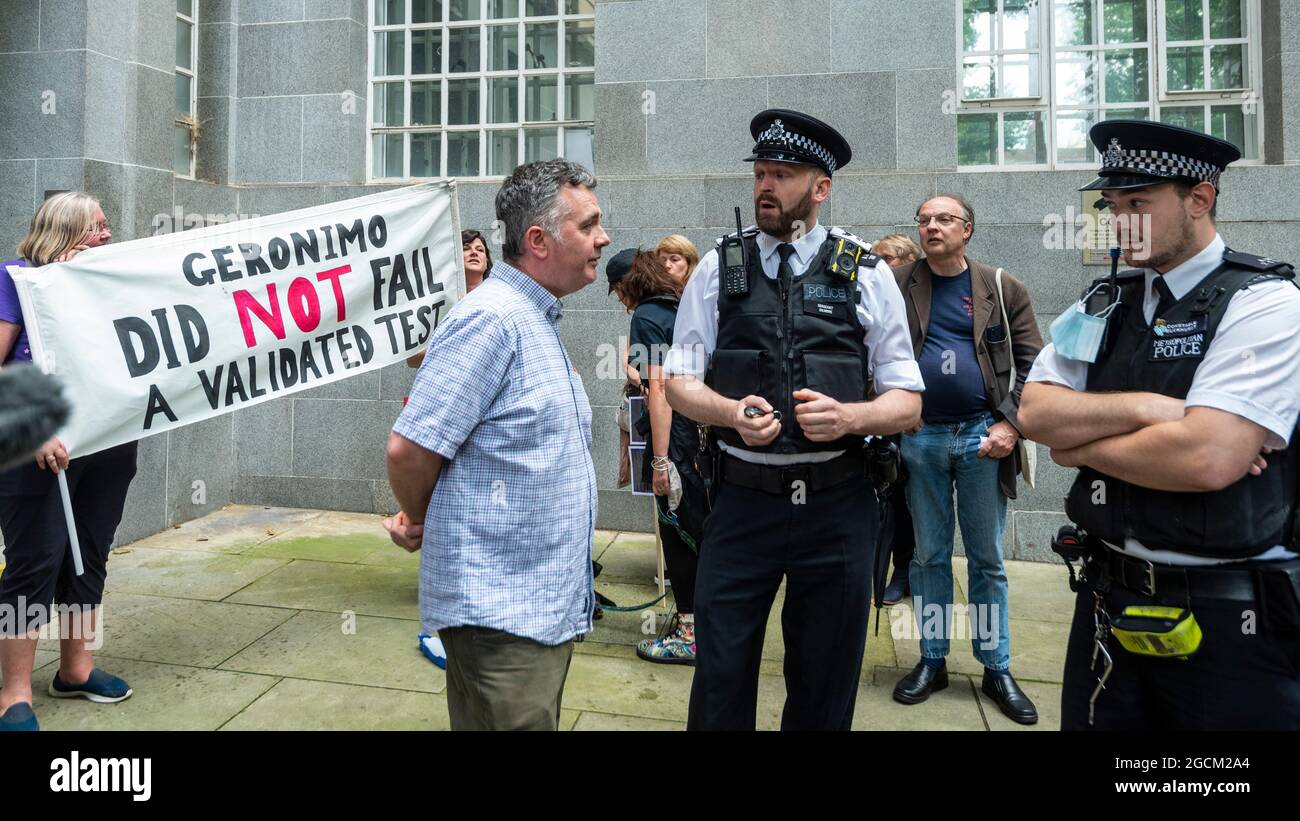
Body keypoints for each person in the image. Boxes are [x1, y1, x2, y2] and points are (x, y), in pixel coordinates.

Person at [1017, 120, 1300, 730]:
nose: (1119, 222)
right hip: (1107, 599)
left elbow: (1207, 458)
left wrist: (1079, 447)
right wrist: (1150, 410)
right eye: (1112, 206)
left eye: (1139, 203)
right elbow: (1035, 412)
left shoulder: (1265, 301)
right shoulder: (1102, 301)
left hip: (1231, 622)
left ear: (1200, 198)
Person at [665, 109, 924, 731]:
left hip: (838, 508)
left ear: (821, 188)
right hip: (742, 504)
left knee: (825, 681)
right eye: (760, 172)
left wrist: (852, 417)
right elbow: (676, 381)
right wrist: (728, 411)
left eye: (782, 174)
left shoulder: (863, 270)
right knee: (721, 677)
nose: (765, 185)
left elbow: (908, 401)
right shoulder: (717, 269)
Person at [383, 159, 609, 731]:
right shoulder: (491, 321)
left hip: (536, 608)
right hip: (503, 614)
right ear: (538, 240)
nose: (603, 238)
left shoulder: (532, 319)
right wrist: (416, 516)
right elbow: (409, 449)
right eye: (588, 225)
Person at [889, 195, 1044, 724]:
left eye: (944, 219)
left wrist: (1011, 424)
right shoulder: (897, 282)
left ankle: (995, 666)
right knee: (928, 556)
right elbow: (872, 349)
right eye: (925, 220)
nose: (932, 227)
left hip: (984, 438)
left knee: (987, 560)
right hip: (922, 437)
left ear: (967, 229)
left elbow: (1034, 365)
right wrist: (891, 410)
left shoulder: (1002, 287)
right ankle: (932, 660)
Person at [0, 192, 135, 732]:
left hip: (104, 443)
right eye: (95, 227)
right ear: (61, 234)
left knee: (90, 554)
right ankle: (13, 694)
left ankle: (76, 669)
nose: (106, 235)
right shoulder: (15, 279)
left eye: (106, 226)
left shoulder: (111, 280)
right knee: (35, 561)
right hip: (34, 451)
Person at [608, 248, 705, 665]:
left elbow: (660, 389)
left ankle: (690, 635)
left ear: (627, 284)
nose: (620, 301)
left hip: (677, 441)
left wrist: (662, 462)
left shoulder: (646, 317)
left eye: (616, 292)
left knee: (678, 535)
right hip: (702, 437)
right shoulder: (682, 307)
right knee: (701, 533)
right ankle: (709, 627)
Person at [871, 234, 923, 606]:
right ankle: (888, 570)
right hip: (885, 420)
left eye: (884, 257)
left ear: (906, 261)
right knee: (889, 500)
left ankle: (910, 572)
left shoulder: (920, 300)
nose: (877, 265)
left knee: (915, 504)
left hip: (923, 422)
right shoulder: (874, 298)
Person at [406, 228, 492, 369]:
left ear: (487, 261)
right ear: (455, 257)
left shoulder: (497, 298)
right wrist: (457, 343)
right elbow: (413, 359)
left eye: (480, 250)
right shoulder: (439, 303)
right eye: (466, 248)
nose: (474, 252)